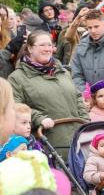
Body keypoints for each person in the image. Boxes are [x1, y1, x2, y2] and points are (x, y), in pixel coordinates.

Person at [8, 30, 89, 160]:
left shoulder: (62, 72)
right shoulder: (17, 78)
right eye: (42, 45)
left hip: (78, 139)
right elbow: (16, 107)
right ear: (30, 48)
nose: (47, 49)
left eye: (49, 45)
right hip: (48, 142)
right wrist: (39, 119)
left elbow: (77, 96)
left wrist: (85, 120)